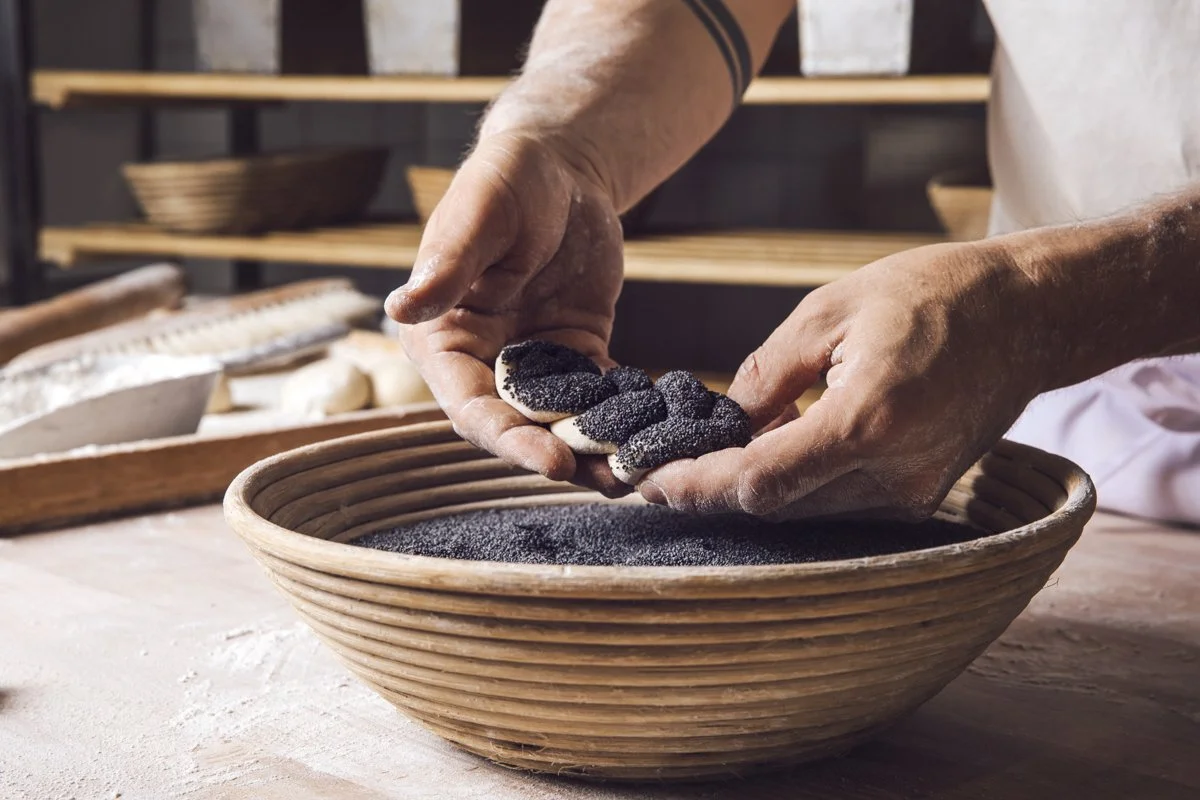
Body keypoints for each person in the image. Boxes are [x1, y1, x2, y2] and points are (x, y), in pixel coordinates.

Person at [385, 1, 1200, 525]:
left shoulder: (1039, 314)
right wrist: (561, 137)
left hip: (1046, 344)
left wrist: (1046, 304)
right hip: (1073, 433)